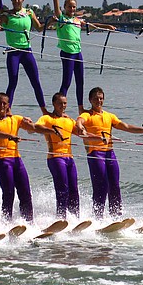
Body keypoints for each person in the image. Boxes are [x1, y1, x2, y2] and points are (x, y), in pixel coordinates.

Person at [47, 0, 116, 114]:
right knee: (66, 82)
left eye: (74, 7)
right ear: (65, 7)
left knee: (80, 81)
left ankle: (80, 108)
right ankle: (58, 109)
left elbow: (93, 25)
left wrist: (107, 26)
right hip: (67, 52)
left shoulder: (77, 20)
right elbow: (55, 0)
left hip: (78, 53)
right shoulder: (62, 19)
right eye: (69, 6)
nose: (72, 9)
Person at [76, 87, 143, 219]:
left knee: (114, 185)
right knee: (101, 185)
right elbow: (79, 121)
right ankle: (97, 217)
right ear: (90, 100)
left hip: (110, 153)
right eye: (95, 98)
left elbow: (126, 127)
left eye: (101, 98)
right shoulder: (87, 115)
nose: (98, 101)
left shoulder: (109, 116)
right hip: (95, 154)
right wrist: (81, 127)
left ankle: (115, 216)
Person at [0, 92, 36, 223]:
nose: (1, 105)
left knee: (25, 192)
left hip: (17, 159)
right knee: (9, 192)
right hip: (1, 160)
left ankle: (28, 221)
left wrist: (31, 124)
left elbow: (32, 129)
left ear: (8, 105)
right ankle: (6, 222)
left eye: (4, 103)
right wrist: (8, 136)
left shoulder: (15, 119)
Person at [33, 92, 87, 220]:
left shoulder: (69, 120)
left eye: (65, 103)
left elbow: (81, 133)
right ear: (54, 104)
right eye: (60, 103)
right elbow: (36, 127)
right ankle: (61, 218)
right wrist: (51, 130)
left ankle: (75, 218)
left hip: (69, 158)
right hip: (55, 158)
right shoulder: (47, 118)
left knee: (74, 189)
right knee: (63, 188)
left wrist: (96, 137)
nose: (63, 106)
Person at [0, 0, 49, 116]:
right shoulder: (7, 15)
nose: (16, 1)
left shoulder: (29, 12)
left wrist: (50, 22)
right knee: (13, 81)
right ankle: (7, 110)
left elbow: (39, 28)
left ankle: (44, 110)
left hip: (27, 51)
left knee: (36, 82)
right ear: (11, 0)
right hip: (13, 52)